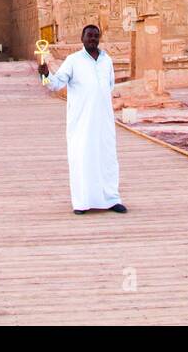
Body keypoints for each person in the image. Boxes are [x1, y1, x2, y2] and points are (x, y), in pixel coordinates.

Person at [38, 24, 128, 215]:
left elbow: (109, 86)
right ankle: (82, 202)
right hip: (82, 121)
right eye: (89, 36)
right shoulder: (73, 60)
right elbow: (55, 84)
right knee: (82, 158)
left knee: (107, 159)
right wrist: (45, 75)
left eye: (96, 36)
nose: (92, 39)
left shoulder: (107, 61)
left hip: (104, 119)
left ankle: (111, 199)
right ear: (82, 38)